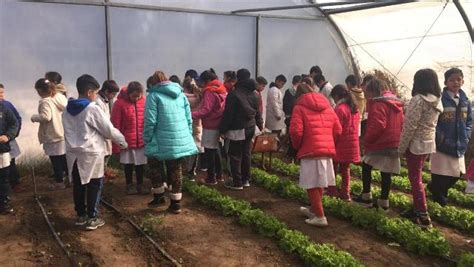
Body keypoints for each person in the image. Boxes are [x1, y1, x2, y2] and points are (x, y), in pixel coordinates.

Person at [63, 74, 126, 230]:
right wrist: (122, 141)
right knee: (94, 184)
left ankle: (80, 215)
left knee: (78, 185)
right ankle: (92, 217)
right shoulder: (92, 109)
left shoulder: (67, 109)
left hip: (74, 153)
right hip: (91, 152)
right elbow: (108, 130)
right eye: (95, 92)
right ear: (90, 91)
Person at [144, 71, 197, 213]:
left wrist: (147, 138)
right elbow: (188, 117)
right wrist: (187, 135)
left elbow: (150, 121)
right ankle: (176, 203)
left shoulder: (153, 96)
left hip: (159, 139)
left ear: (152, 83)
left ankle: (159, 197)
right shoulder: (181, 95)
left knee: (155, 166)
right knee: (175, 168)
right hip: (179, 138)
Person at [291, 83, 342, 226]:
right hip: (326, 151)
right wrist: (330, 142)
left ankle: (320, 216)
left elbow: (296, 131)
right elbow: (338, 130)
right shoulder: (328, 106)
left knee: (312, 184)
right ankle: (314, 210)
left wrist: (297, 146)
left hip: (310, 151)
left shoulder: (299, 107)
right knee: (319, 182)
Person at [398, 68, 443, 229]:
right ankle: (416, 209)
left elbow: (409, 127)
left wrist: (401, 148)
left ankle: (423, 216)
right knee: (417, 177)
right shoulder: (437, 100)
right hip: (428, 143)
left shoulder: (418, 100)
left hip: (416, 144)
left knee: (415, 179)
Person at [354, 79, 404, 210]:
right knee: (386, 172)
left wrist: (367, 141)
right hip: (394, 142)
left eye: (367, 93)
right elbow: (402, 123)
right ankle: (383, 201)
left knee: (366, 165)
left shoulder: (378, 103)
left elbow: (378, 125)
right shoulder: (396, 103)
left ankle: (366, 196)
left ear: (372, 91)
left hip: (380, 143)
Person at [428, 68, 472, 206]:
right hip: (442, 145)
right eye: (452, 80)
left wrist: (467, 135)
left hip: (459, 144)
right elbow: (433, 120)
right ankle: (439, 202)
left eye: (458, 79)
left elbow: (469, 121)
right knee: (440, 174)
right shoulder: (440, 99)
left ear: (463, 81)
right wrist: (439, 137)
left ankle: (435, 191)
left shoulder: (465, 101)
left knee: (457, 174)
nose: (456, 82)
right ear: (446, 82)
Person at [220, 69, 263, 190]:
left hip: (237, 129)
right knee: (246, 153)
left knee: (235, 155)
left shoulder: (234, 94)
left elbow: (228, 115)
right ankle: (246, 180)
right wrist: (260, 125)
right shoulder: (255, 94)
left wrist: (222, 129)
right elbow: (258, 112)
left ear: (238, 78)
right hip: (250, 127)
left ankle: (237, 182)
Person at [111, 82, 148, 195]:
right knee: (128, 164)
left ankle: (140, 185)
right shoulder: (119, 104)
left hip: (141, 140)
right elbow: (115, 124)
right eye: (134, 96)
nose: (136, 99)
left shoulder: (144, 102)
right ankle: (129, 185)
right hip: (127, 140)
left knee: (140, 164)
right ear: (128, 94)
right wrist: (117, 144)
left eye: (139, 96)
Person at [31, 78, 68, 190]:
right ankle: (71, 179)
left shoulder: (45, 101)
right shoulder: (58, 98)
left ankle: (59, 182)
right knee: (63, 159)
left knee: (55, 160)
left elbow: (46, 117)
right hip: (61, 132)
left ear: (39, 90)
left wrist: (34, 117)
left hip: (52, 134)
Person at [192, 70, 227, 185]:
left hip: (210, 124)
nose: (200, 84)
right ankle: (219, 175)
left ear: (206, 81)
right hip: (219, 122)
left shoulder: (209, 91)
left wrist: (192, 114)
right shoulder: (221, 89)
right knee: (215, 149)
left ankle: (211, 178)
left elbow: (206, 110)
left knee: (209, 151)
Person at [326, 84, 360, 202]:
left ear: (336, 96)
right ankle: (345, 193)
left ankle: (332, 190)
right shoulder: (354, 108)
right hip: (351, 144)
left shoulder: (340, 109)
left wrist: (330, 142)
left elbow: (336, 129)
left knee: (333, 168)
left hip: (340, 143)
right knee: (345, 169)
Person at [0, 84, 23, 193]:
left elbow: (17, 120)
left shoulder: (7, 105)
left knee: (11, 162)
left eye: (2, 92)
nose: (1, 95)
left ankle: (15, 183)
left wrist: (11, 135)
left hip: (8, 140)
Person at [96, 80, 120, 181]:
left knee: (105, 157)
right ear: (106, 91)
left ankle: (103, 174)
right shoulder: (97, 102)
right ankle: (101, 177)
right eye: (113, 94)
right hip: (100, 136)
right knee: (101, 159)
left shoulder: (103, 100)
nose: (113, 97)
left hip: (105, 135)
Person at [183, 77, 203, 181]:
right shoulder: (199, 96)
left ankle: (186, 169)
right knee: (196, 148)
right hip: (198, 124)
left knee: (186, 148)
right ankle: (192, 171)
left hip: (186, 125)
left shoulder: (182, 97)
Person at [0, 100, 18, 214]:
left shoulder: (4, 109)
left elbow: (14, 123)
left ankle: (4, 204)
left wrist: (8, 136)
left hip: (2, 149)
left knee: (3, 178)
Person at [283, 75, 301, 160]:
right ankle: (293, 154)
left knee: (291, 135)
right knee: (294, 135)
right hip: (295, 116)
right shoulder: (299, 92)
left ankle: (290, 153)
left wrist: (287, 114)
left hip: (289, 116)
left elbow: (285, 104)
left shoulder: (287, 91)